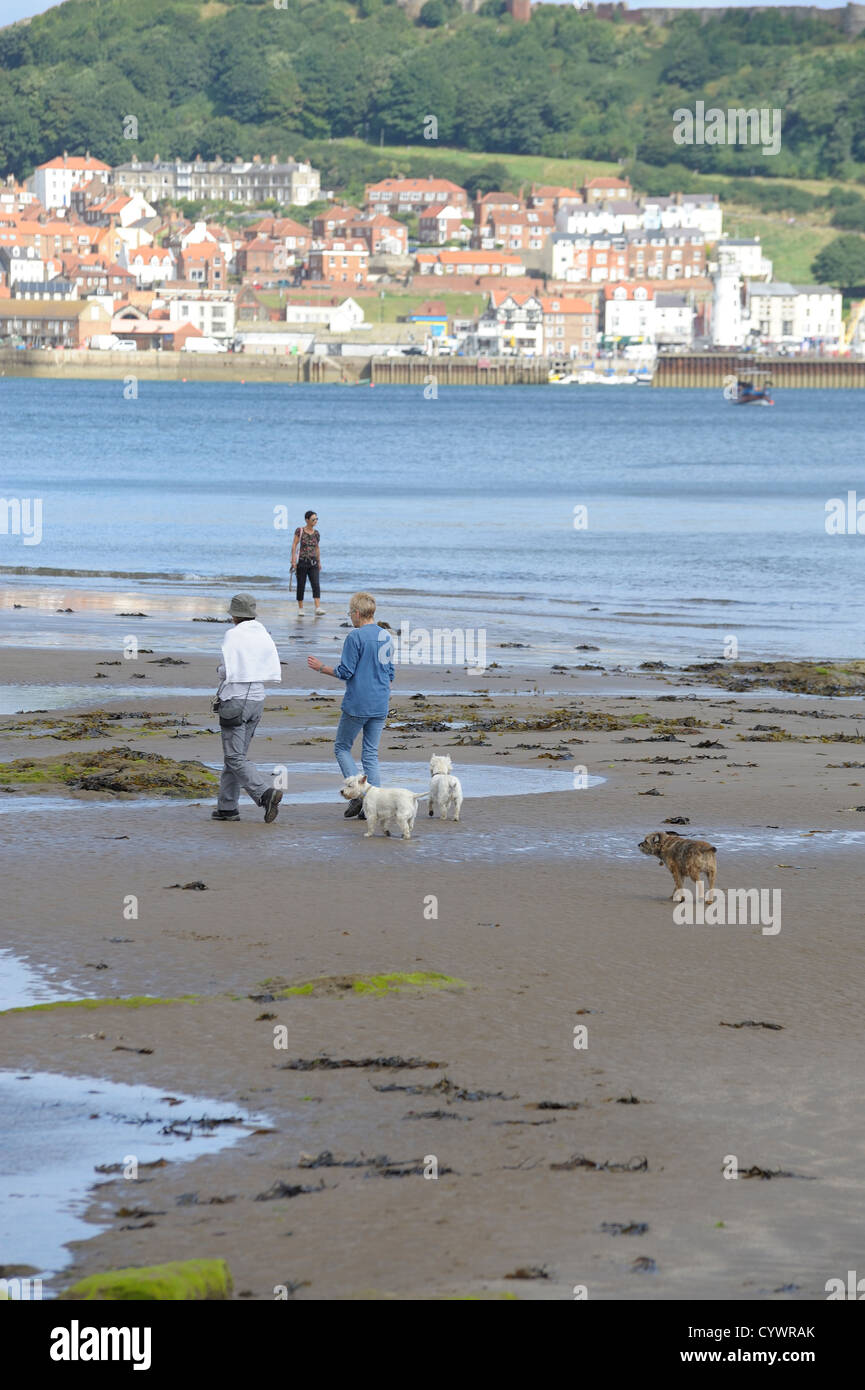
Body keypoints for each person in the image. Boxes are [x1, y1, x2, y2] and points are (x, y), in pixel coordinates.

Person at [307, 590, 394, 819]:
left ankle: (358, 795)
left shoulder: (355, 637)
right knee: (370, 754)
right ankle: (372, 804)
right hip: (380, 701)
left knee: (342, 747)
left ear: (357, 613)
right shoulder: (385, 636)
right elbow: (390, 673)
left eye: (350, 613)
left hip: (358, 703)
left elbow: (346, 671)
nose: (350, 618)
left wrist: (320, 667)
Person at [212, 592, 283, 823]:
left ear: (234, 615)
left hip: (235, 700)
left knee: (234, 757)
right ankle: (227, 808)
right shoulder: (263, 633)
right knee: (235, 756)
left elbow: (227, 670)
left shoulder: (233, 635)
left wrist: (218, 671)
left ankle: (265, 793)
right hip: (257, 700)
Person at [290, 509, 324, 616]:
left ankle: (317, 607)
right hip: (302, 562)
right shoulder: (300, 531)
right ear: (307, 520)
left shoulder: (317, 533)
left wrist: (319, 561)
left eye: (316, 519)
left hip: (313, 562)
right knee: (301, 585)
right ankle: (301, 608)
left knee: (316, 584)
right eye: (313, 519)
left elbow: (317, 548)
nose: (315, 521)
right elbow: (294, 545)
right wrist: (293, 560)